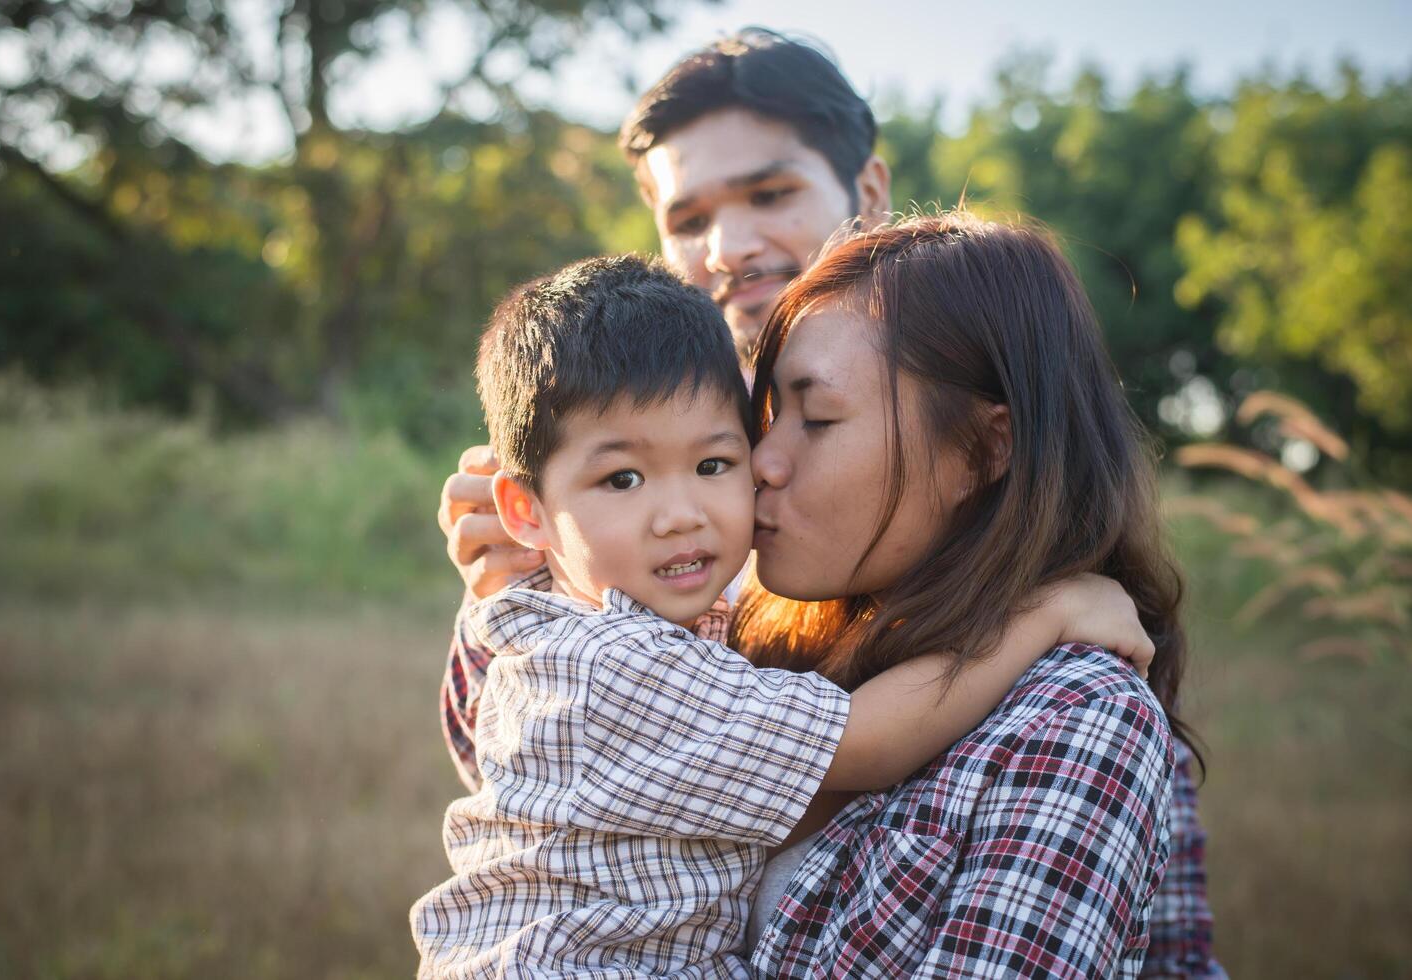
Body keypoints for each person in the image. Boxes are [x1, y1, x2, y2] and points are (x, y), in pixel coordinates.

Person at [438, 30, 1222, 977]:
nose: (727, 247)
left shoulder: (1067, 698)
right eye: (686, 218)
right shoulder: (668, 531)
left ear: (868, 196)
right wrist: (514, 600)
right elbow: (550, 789)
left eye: (770, 193)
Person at [411, 254, 1154, 978]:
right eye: (623, 478)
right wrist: (1046, 612)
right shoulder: (616, 654)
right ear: (523, 509)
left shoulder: (1077, 713)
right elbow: (857, 748)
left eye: (817, 418)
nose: (764, 461)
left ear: (985, 447)